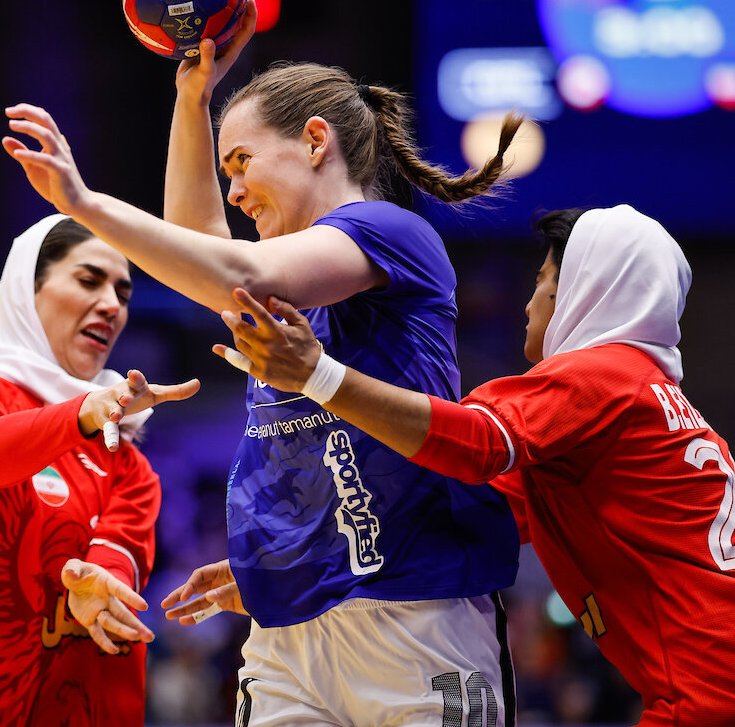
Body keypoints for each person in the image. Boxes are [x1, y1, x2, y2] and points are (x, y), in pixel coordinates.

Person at [4, 3, 522, 726]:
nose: (235, 191)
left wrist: (84, 203)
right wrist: (193, 100)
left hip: (416, 613)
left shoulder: (389, 231)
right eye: (226, 173)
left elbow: (234, 270)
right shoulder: (273, 274)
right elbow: (201, 253)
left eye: (242, 164)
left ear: (316, 141)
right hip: (290, 632)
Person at [213, 204, 735, 726]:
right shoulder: (638, 402)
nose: (528, 306)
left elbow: (477, 444)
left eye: (543, 281)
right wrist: (296, 566)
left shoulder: (604, 378)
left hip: (706, 699)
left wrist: (318, 376)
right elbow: (473, 514)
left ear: (584, 287)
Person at [0, 215, 200, 726]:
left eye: (123, 294)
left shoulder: (127, 461)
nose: (111, 305)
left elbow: (114, 557)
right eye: (88, 280)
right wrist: (83, 411)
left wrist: (100, 585)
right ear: (25, 291)